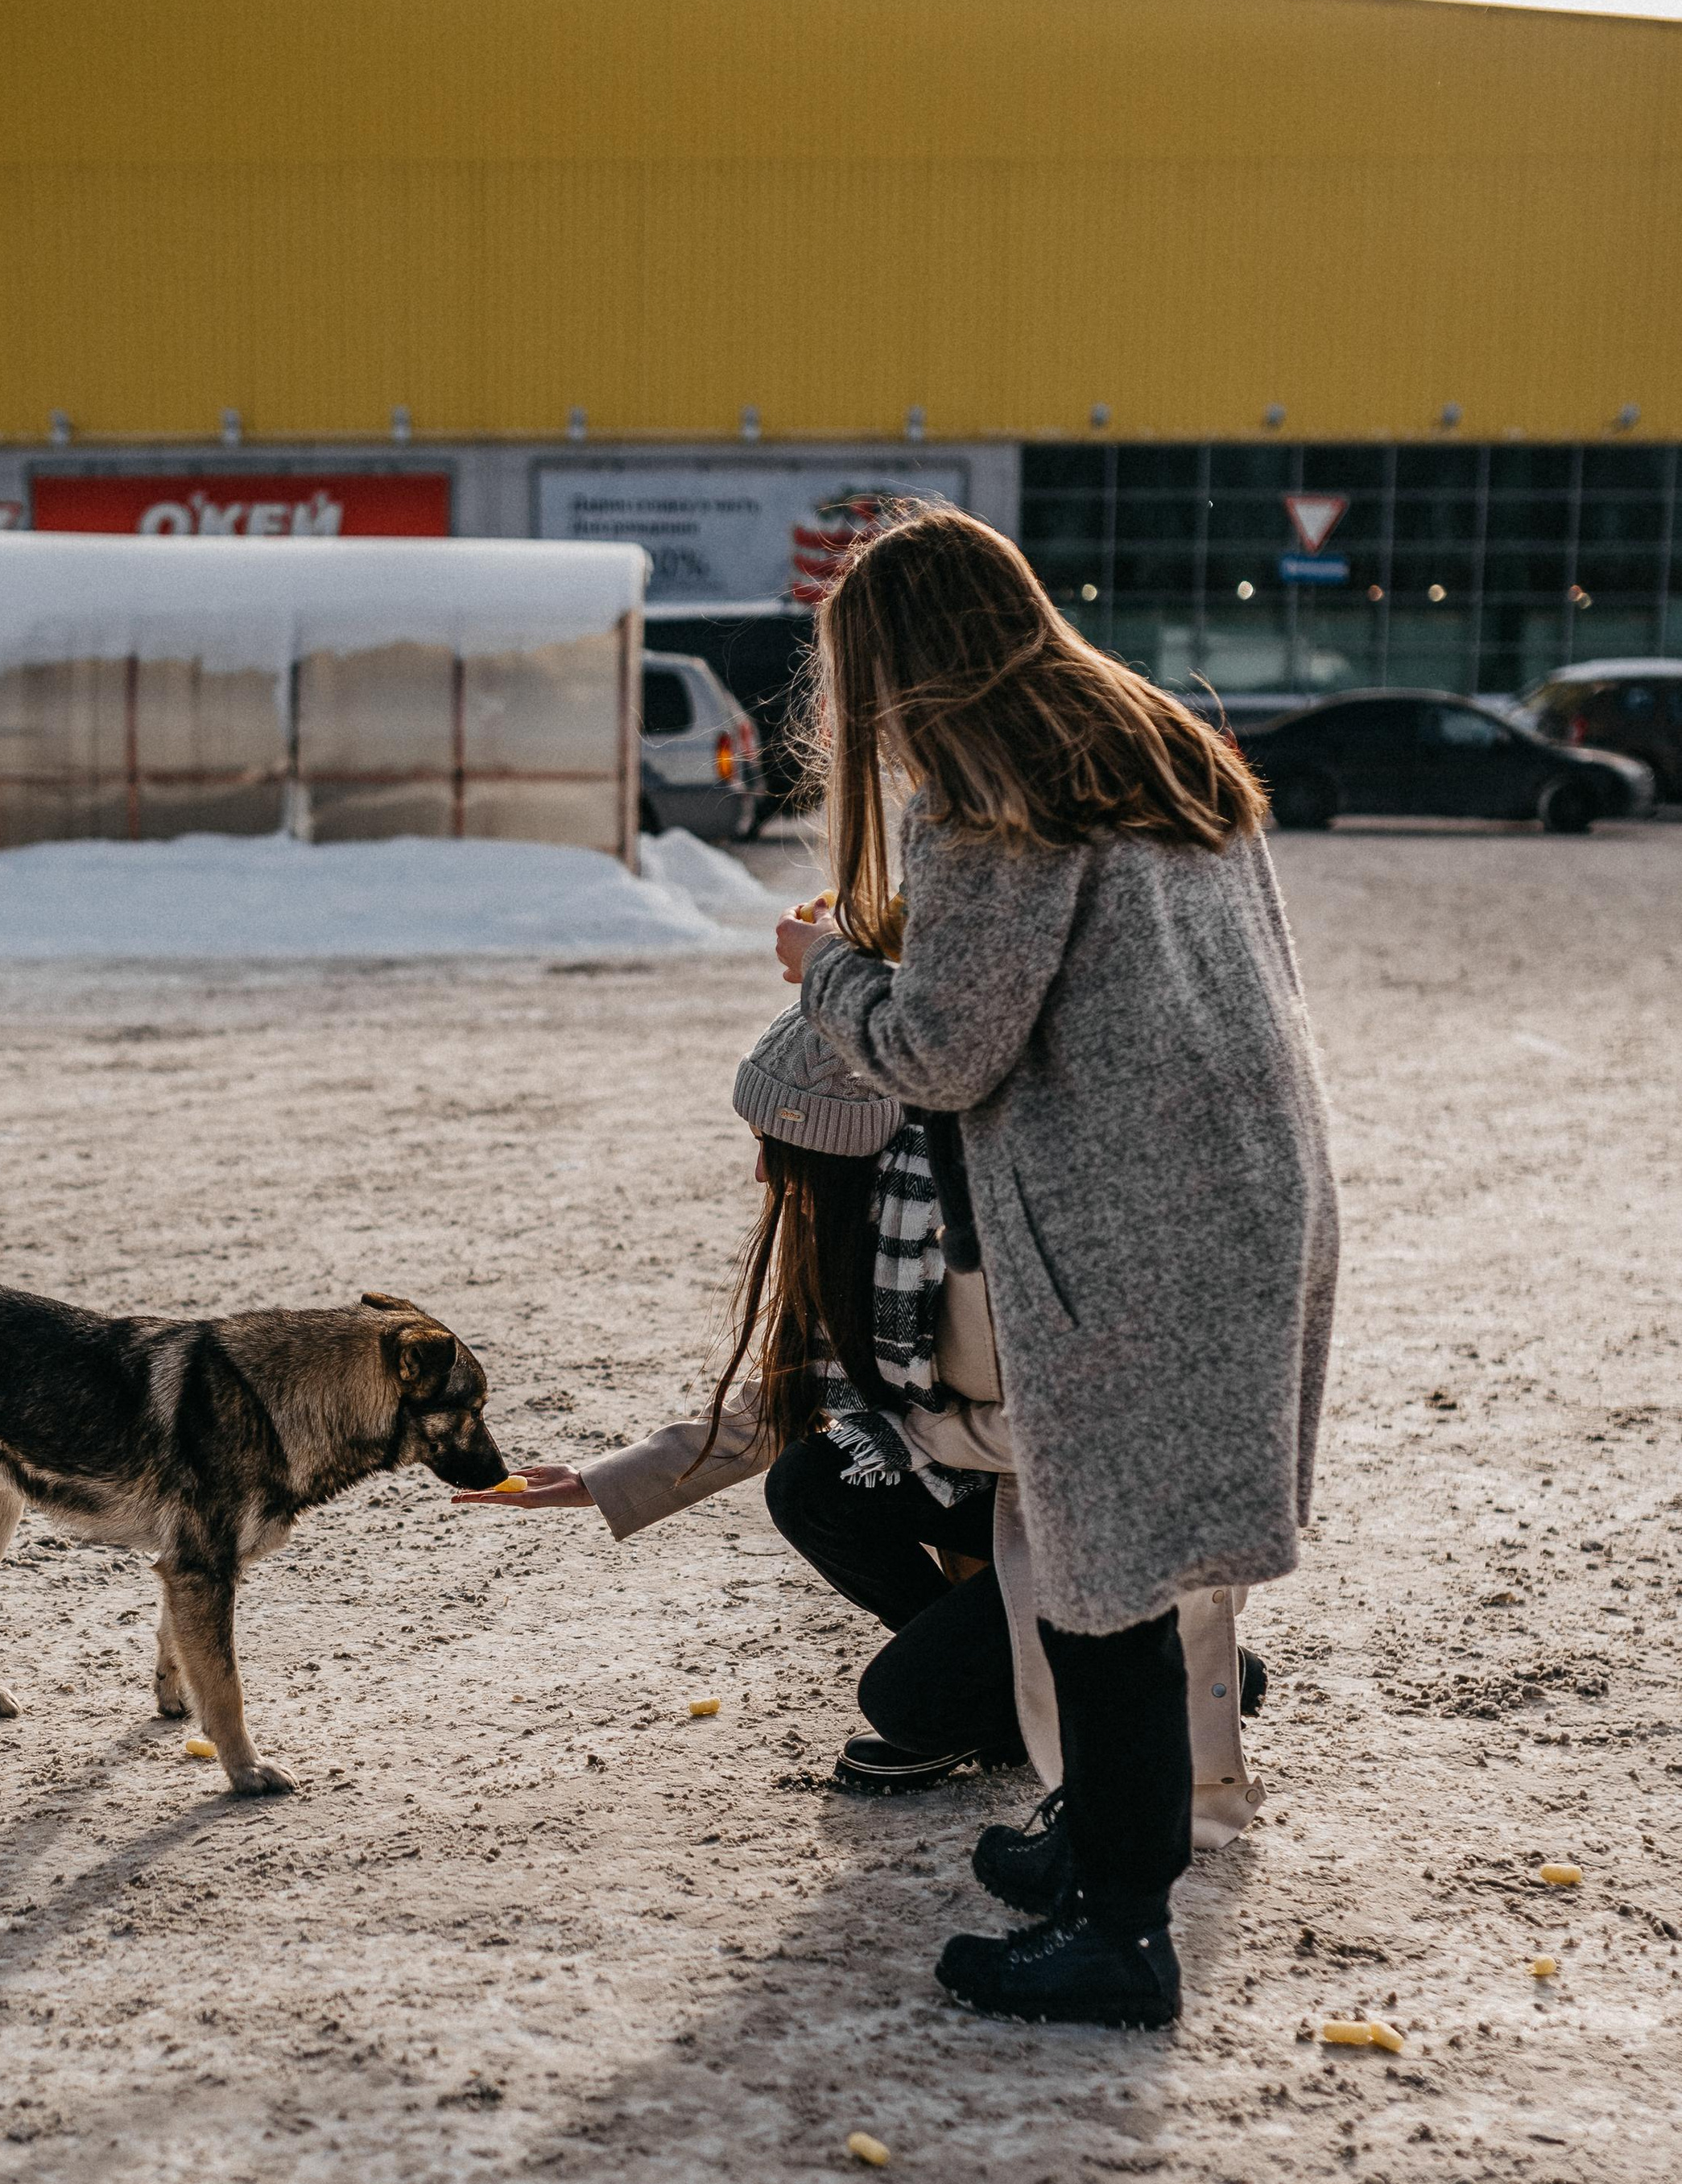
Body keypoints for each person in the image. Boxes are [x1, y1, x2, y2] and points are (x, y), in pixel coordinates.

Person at [774, 503, 1338, 2030]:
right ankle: (1100, 1837)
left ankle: (1120, 1927)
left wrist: (823, 966)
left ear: (895, 665)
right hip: (1236, 1192)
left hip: (1120, 1220)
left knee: (1099, 1572)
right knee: (1125, 1555)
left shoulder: (994, 795)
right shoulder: (1150, 740)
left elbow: (944, 1051)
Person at [453, 1001, 1267, 1890]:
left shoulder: (968, 1237)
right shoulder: (867, 1218)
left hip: (1100, 1510)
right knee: (811, 1481)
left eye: (776, 1143)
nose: (761, 1168)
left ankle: (1126, 1665)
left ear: (837, 1146)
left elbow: (1074, 1425)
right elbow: (784, 1404)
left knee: (901, 1704)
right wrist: (603, 1480)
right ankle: (1037, 1684)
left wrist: (915, 1432)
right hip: (999, 1486)